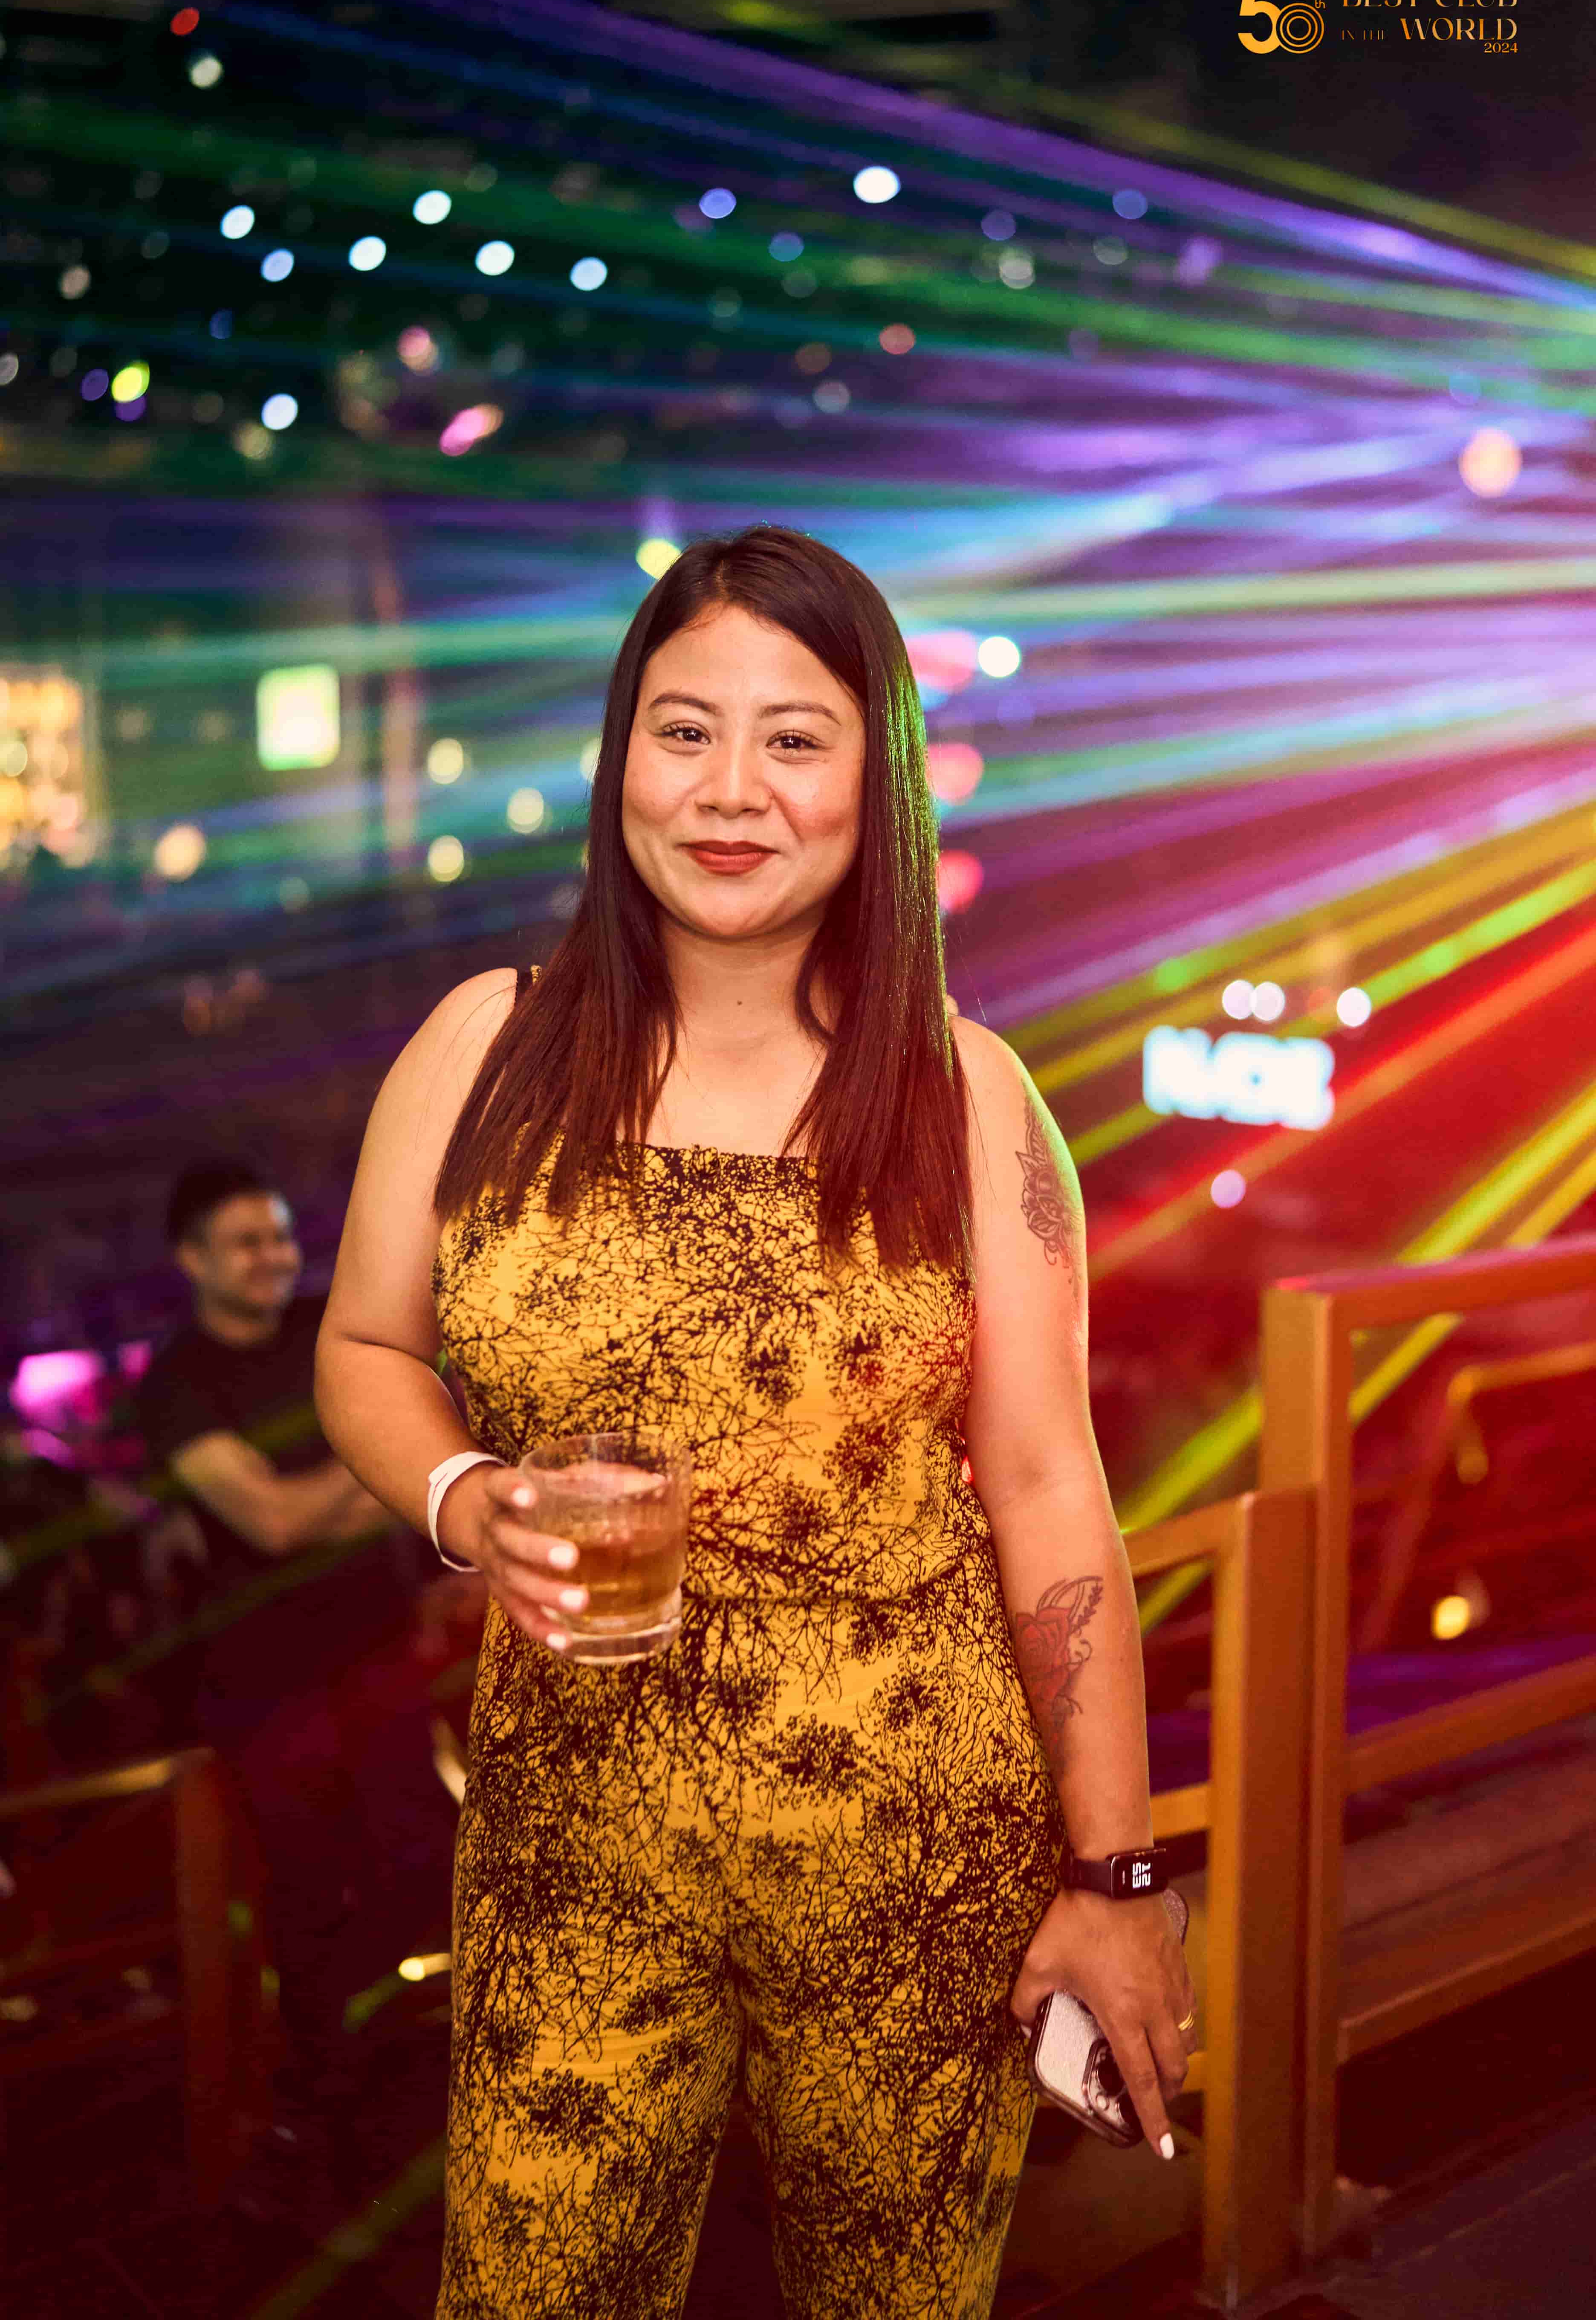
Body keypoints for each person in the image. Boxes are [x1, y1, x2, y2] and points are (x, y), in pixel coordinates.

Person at [315, 527, 1194, 2320]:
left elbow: (1047, 1485)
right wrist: (471, 1501)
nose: (731, 790)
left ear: (877, 785)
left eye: (794, 739)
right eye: (684, 730)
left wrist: (1114, 1875)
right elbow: (363, 1344)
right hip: (573, 1831)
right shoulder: (486, 1047)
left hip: (912, 1852)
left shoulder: (963, 1093)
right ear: (620, 760)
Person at [136, 1161, 416, 2078]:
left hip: (383, 1649)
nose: (274, 1256)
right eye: (246, 1242)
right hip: (269, 1682)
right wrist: (376, 1455)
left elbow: (429, 1460)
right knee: (309, 1896)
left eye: (282, 1236)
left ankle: (427, 2078)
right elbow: (274, 1523)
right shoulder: (177, 1381)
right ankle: (328, 2100)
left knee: (417, 1865)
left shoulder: (329, 1326)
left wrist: (393, 1466)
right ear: (192, 1259)